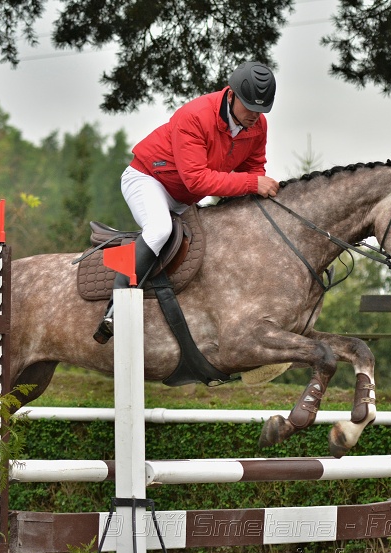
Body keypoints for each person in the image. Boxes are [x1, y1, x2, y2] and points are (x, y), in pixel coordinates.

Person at [94, 61, 280, 343]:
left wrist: (258, 193)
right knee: (159, 230)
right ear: (231, 95)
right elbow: (198, 180)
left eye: (261, 110)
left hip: (185, 197)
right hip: (147, 178)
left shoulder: (257, 126)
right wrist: (254, 184)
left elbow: (253, 169)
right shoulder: (194, 116)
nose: (256, 116)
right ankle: (115, 308)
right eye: (250, 108)